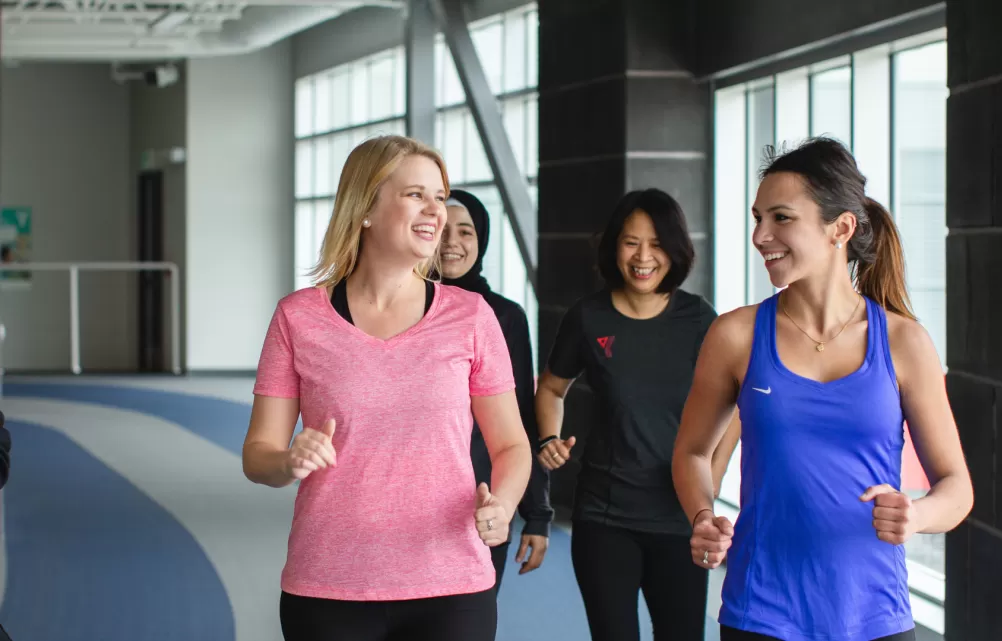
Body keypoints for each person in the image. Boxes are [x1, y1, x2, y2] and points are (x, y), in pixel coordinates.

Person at [672, 137, 973, 641]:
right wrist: (703, 514)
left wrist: (916, 515)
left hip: (875, 614)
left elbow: (957, 487)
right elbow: (692, 453)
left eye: (781, 218)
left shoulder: (904, 342)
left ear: (841, 228)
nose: (760, 235)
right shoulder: (735, 336)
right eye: (757, 218)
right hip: (760, 610)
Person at [242, 135, 533, 641]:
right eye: (416, 194)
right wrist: (288, 460)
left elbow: (511, 444)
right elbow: (257, 455)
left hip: (452, 586)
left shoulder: (471, 317)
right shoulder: (298, 318)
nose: (435, 211)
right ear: (366, 208)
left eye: (439, 197)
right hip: (329, 586)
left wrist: (503, 506)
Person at [535, 188, 741, 641]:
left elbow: (736, 405)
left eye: (657, 244)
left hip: (680, 518)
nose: (643, 257)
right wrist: (549, 438)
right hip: (604, 516)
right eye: (631, 242)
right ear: (614, 247)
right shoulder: (588, 317)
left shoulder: (699, 319)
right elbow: (551, 387)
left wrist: (711, 477)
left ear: (676, 249)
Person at [438, 188, 554, 590]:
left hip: (486, 497)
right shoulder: (400, 309)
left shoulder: (504, 316)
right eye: (442, 229)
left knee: (470, 613)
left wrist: (537, 514)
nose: (452, 242)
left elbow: (522, 416)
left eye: (466, 232)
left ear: (482, 240)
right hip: (412, 495)